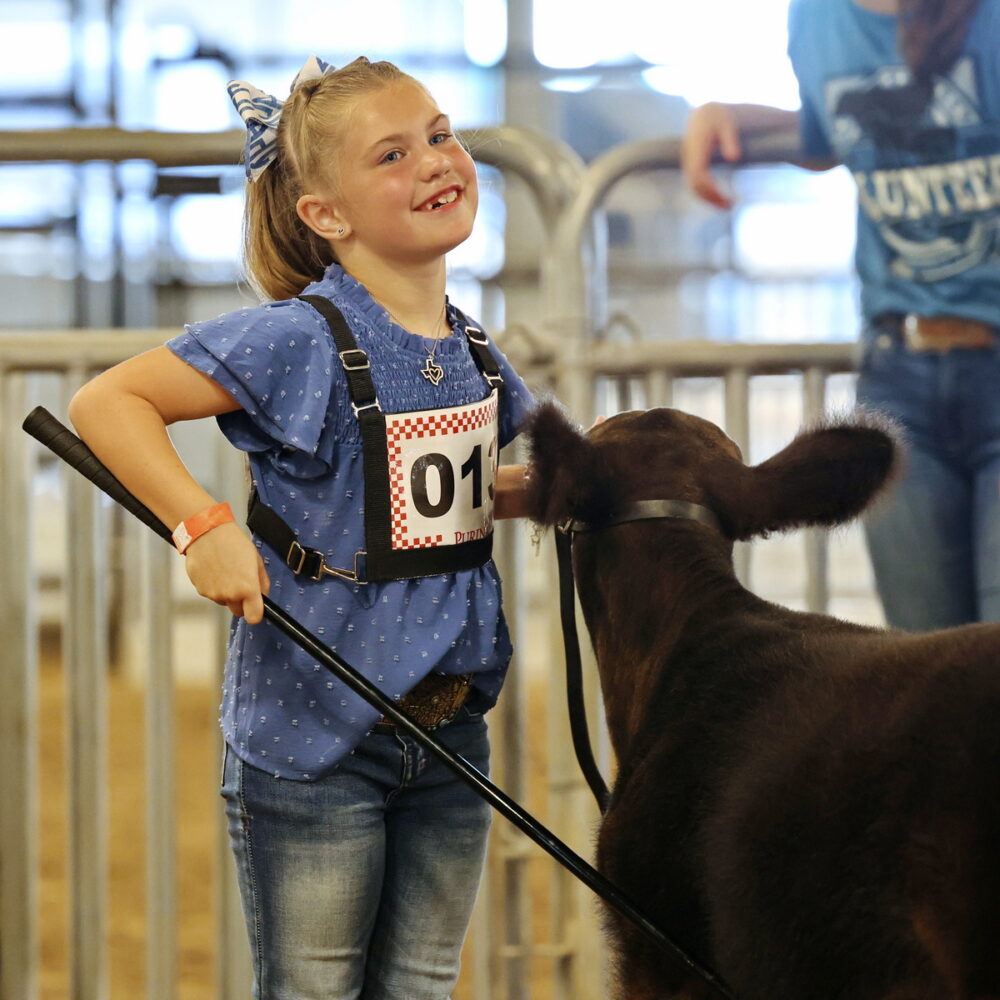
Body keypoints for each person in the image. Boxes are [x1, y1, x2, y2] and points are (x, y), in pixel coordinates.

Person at [69, 55, 536, 1000]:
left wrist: (581, 490)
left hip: (452, 731)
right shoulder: (296, 337)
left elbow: (450, 497)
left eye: (441, 135)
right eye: (394, 154)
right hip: (316, 734)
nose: (437, 161)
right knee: (315, 989)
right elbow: (108, 402)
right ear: (326, 214)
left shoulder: (473, 347)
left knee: (420, 983)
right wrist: (201, 526)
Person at [681, 0, 1000, 630]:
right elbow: (829, 136)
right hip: (899, 375)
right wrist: (730, 116)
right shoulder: (817, 20)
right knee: (928, 664)